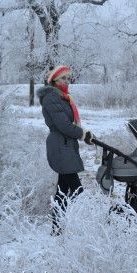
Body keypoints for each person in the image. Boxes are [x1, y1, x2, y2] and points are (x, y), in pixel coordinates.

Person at [36, 65, 95, 235]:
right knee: (77, 189)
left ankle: (57, 228)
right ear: (54, 80)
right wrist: (82, 134)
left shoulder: (63, 98)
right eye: (63, 78)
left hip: (66, 144)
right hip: (60, 145)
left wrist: (84, 134)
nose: (66, 82)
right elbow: (63, 125)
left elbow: (68, 124)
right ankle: (86, 222)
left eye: (68, 79)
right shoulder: (51, 98)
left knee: (63, 190)